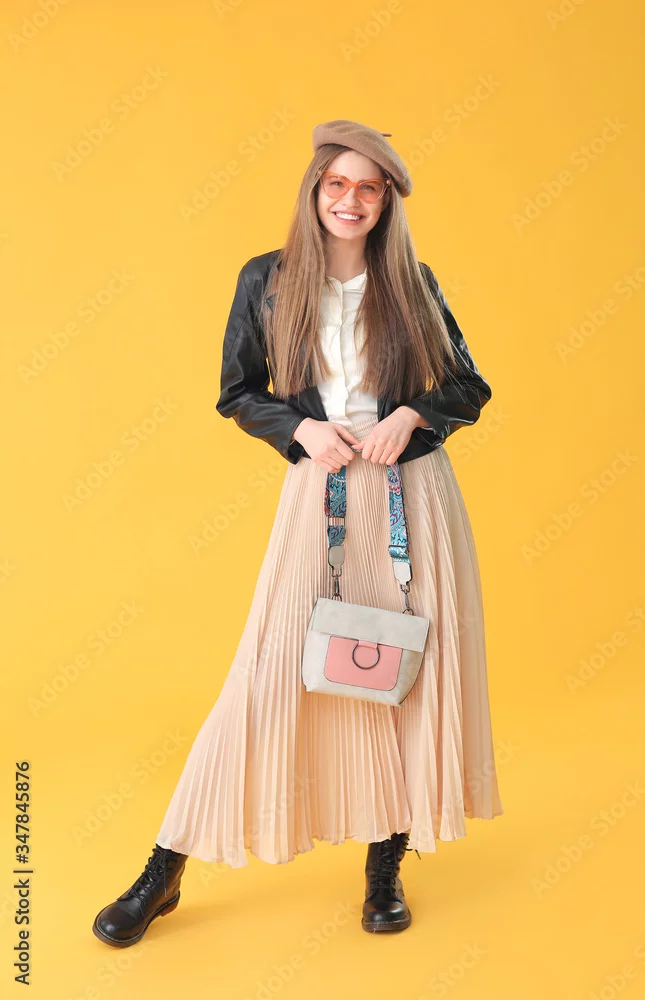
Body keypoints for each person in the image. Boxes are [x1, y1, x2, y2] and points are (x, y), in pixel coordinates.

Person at [92, 118, 503, 947]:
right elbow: (238, 392)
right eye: (337, 184)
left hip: (412, 498)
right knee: (267, 674)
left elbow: (468, 384)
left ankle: (384, 869)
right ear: (315, 191)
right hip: (320, 495)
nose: (351, 200)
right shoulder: (267, 279)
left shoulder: (412, 282)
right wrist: (300, 429)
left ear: (386, 202)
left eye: (369, 187)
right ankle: (164, 870)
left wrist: (412, 416)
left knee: (406, 674)